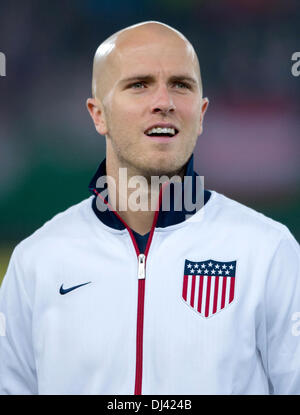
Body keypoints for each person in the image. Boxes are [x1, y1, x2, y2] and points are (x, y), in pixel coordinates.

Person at [0, 21, 299, 395]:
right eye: (139, 84)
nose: (165, 102)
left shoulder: (269, 252)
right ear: (98, 114)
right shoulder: (36, 261)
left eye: (181, 85)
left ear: (202, 113)